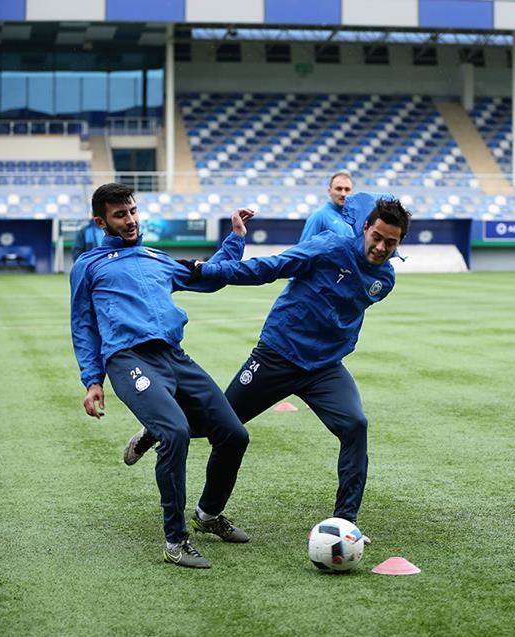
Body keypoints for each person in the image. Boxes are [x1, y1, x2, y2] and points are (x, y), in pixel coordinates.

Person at [126, 193, 410, 539]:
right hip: (278, 354)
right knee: (224, 426)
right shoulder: (329, 247)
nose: (380, 247)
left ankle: (344, 523)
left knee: (355, 425)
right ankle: (158, 431)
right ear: (365, 228)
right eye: (376, 237)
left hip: (324, 368)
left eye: (390, 243)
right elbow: (270, 267)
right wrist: (210, 268)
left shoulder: (385, 280)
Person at [70, 182, 255, 570]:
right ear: (101, 221)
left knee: (234, 434)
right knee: (175, 432)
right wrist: (92, 380)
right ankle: (175, 541)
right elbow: (83, 326)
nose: (130, 220)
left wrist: (236, 238)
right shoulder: (88, 266)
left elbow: (210, 276)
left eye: (133, 211)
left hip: (173, 356)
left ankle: (208, 515)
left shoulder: (157, 257)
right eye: (120, 215)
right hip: (127, 359)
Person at [298, 169, 355, 243]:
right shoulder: (319, 216)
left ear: (352, 192)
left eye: (347, 189)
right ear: (329, 191)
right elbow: (304, 247)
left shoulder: (354, 217)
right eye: (339, 189)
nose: (343, 194)